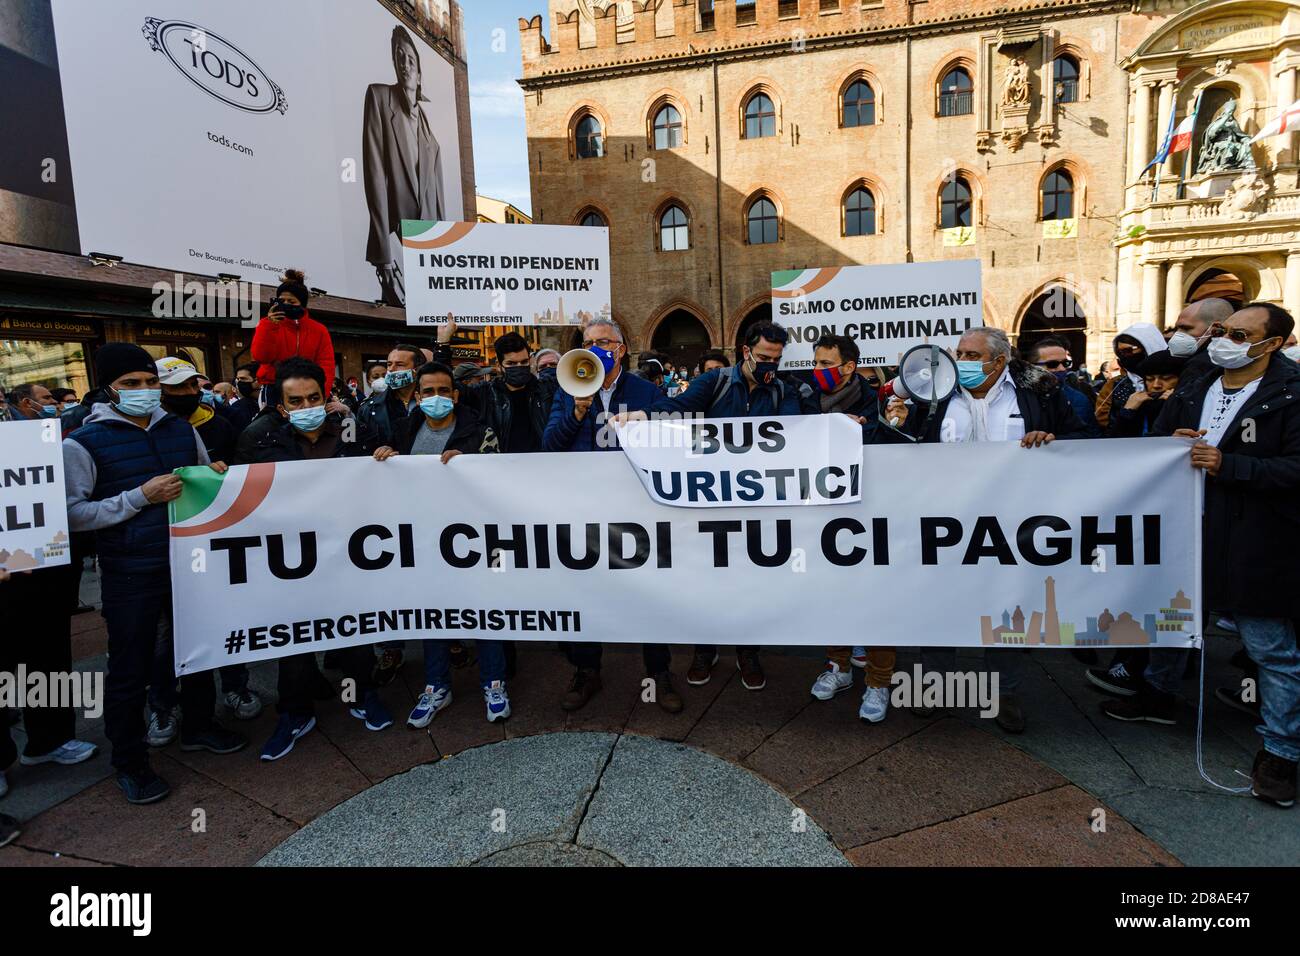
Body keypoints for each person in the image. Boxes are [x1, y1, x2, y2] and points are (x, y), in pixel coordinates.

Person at [1102, 303, 1300, 809]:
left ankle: (1280, 753)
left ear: (1271, 344)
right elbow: (1163, 438)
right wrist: (1172, 442)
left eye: (1239, 333)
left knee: (1271, 649)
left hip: (1258, 539)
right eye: (1222, 331)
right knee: (1174, 618)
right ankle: (1158, 696)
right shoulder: (1195, 384)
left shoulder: (1292, 394)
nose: (1224, 340)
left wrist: (1229, 465)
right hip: (1186, 526)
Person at [63, 343, 246, 804]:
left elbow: (204, 480)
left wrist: (217, 476)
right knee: (130, 666)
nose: (145, 391)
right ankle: (130, 760)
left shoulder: (181, 430)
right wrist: (138, 497)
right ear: (108, 389)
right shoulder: (81, 443)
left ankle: (199, 726)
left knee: (199, 648)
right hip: (130, 570)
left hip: (190, 563)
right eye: (132, 385)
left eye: (149, 383)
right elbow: (72, 514)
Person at [882, 327, 1087, 733]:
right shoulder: (935, 395)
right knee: (940, 605)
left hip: (1014, 525)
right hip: (946, 523)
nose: (960, 360)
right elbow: (904, 449)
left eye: (971, 354)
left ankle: (1004, 692)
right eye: (957, 352)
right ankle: (936, 686)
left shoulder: (1038, 395)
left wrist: (1053, 439)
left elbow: (1085, 438)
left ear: (998, 362)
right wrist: (894, 423)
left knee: (1008, 609)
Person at [234, 359, 396, 761]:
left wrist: (387, 456)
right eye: (296, 400)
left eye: (314, 397)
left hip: (348, 550)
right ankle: (294, 712)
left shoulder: (351, 429)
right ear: (282, 406)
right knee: (294, 636)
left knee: (356, 629)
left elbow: (384, 475)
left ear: (325, 397)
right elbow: (239, 492)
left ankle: (363, 696)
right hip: (290, 555)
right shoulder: (258, 436)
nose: (306, 404)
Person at [637, 321, 805, 692]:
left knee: (751, 580)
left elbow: (798, 432)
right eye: (763, 357)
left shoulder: (781, 390)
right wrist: (643, 417)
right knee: (707, 578)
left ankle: (747, 651)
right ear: (746, 352)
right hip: (711, 504)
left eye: (776, 359)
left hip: (757, 503)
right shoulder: (714, 383)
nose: (769, 365)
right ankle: (705, 649)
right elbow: (676, 409)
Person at [542, 319, 680, 712]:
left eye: (604, 341)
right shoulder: (566, 388)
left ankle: (658, 672)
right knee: (587, 590)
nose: (596, 347)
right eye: (589, 342)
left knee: (648, 592)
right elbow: (550, 444)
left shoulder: (645, 391)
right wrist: (578, 412)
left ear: (620, 349)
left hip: (636, 510)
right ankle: (587, 670)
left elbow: (665, 441)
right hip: (584, 508)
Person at [374, 361, 511, 725]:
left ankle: (493, 682)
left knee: (484, 609)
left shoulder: (478, 430)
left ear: (455, 393)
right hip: (423, 538)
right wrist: (386, 460)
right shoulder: (405, 431)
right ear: (417, 397)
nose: (436, 398)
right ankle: (436, 686)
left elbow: (498, 480)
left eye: (443, 391)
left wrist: (473, 467)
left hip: (474, 539)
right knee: (431, 611)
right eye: (428, 392)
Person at [153, 357, 262, 724]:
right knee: (164, 635)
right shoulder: (143, 430)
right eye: (176, 387)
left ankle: (235, 685)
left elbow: (241, 474)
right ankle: (165, 704)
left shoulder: (218, 425)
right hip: (154, 550)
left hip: (216, 539)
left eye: (191, 386)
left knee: (224, 615)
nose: (187, 393)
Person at [800, 335, 898, 721]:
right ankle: (837, 667)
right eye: (816, 362)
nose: (818, 370)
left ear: (848, 367)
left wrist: (870, 430)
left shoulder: (879, 402)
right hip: (825, 513)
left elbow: (900, 448)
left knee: (878, 597)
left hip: (873, 513)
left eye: (827, 363)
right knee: (833, 593)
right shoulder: (805, 400)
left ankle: (878, 682)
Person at [364, 25, 446, 306]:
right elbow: (373, 172)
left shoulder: (427, 128)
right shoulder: (378, 97)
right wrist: (383, 252)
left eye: (410, 58)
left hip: (426, 246)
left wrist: (443, 253)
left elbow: (437, 196)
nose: (404, 64)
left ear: (420, 72)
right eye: (399, 57)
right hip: (395, 239)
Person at [437, 321, 554, 454]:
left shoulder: (546, 390)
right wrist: (443, 344)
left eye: (524, 362)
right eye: (511, 363)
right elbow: (444, 384)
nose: (519, 366)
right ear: (499, 366)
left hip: (542, 466)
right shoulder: (483, 394)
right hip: (498, 467)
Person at [250, 270, 335, 393]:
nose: (286, 304)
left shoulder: (319, 330)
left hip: (307, 389)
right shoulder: (267, 324)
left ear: (302, 304)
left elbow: (326, 365)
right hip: (274, 387)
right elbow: (261, 357)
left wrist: (322, 393)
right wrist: (269, 325)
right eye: (282, 300)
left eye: (291, 301)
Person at [1093, 322, 1169, 429]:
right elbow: (1104, 425)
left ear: (1149, 345)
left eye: (1128, 351)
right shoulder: (1115, 385)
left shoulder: (1179, 379)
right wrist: (1128, 410)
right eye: (1119, 352)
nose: (1124, 356)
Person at [1025, 336, 1101, 438]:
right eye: (1052, 364)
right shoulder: (1018, 395)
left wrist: (1053, 440)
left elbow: (1089, 436)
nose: (1062, 368)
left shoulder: (1077, 399)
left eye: (1066, 363)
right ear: (1033, 367)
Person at [1105, 351, 1184, 438]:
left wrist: (1174, 406)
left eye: (1166, 379)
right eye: (1150, 379)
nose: (1156, 385)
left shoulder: (1186, 404)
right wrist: (1127, 410)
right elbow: (1116, 441)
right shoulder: (1140, 405)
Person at [1166, 297, 1234, 389]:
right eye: (1177, 329)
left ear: (1215, 329)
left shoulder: (1200, 365)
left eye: (1186, 328)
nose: (1177, 335)